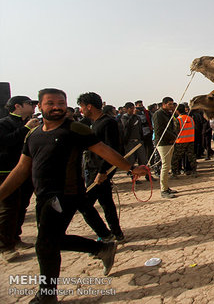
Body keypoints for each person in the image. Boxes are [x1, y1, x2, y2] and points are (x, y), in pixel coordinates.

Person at [0, 88, 147, 303]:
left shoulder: (75, 129)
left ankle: (46, 295)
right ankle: (101, 248)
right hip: (43, 196)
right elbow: (22, 168)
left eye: (61, 102)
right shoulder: (33, 134)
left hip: (65, 196)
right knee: (52, 241)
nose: (57, 107)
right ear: (40, 106)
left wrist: (130, 169)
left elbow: (105, 151)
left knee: (44, 245)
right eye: (50, 103)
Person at [77, 92, 125, 242]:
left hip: (99, 171)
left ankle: (105, 235)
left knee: (84, 205)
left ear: (89, 107)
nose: (81, 110)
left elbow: (113, 148)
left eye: (82, 107)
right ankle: (116, 233)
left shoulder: (107, 122)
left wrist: (103, 171)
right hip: (92, 169)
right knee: (106, 202)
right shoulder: (92, 123)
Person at [0, 96, 39, 262]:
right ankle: (4, 246)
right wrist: (25, 129)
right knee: (8, 209)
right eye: (29, 104)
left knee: (22, 205)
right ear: (17, 106)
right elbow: (3, 142)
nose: (33, 107)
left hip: (27, 171)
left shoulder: (31, 122)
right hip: (8, 171)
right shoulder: (4, 123)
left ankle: (15, 238)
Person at [152, 97, 178, 198]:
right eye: (169, 104)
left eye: (172, 104)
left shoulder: (169, 114)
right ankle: (163, 190)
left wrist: (174, 136)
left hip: (170, 142)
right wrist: (172, 137)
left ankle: (166, 187)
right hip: (163, 142)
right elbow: (160, 131)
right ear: (164, 104)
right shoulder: (158, 114)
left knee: (168, 166)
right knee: (165, 166)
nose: (171, 106)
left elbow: (172, 127)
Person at [171, 104, 198, 177]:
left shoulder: (178, 119)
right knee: (191, 157)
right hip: (190, 140)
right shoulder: (190, 118)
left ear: (177, 111)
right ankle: (194, 171)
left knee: (175, 158)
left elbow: (176, 131)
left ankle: (174, 173)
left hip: (181, 141)